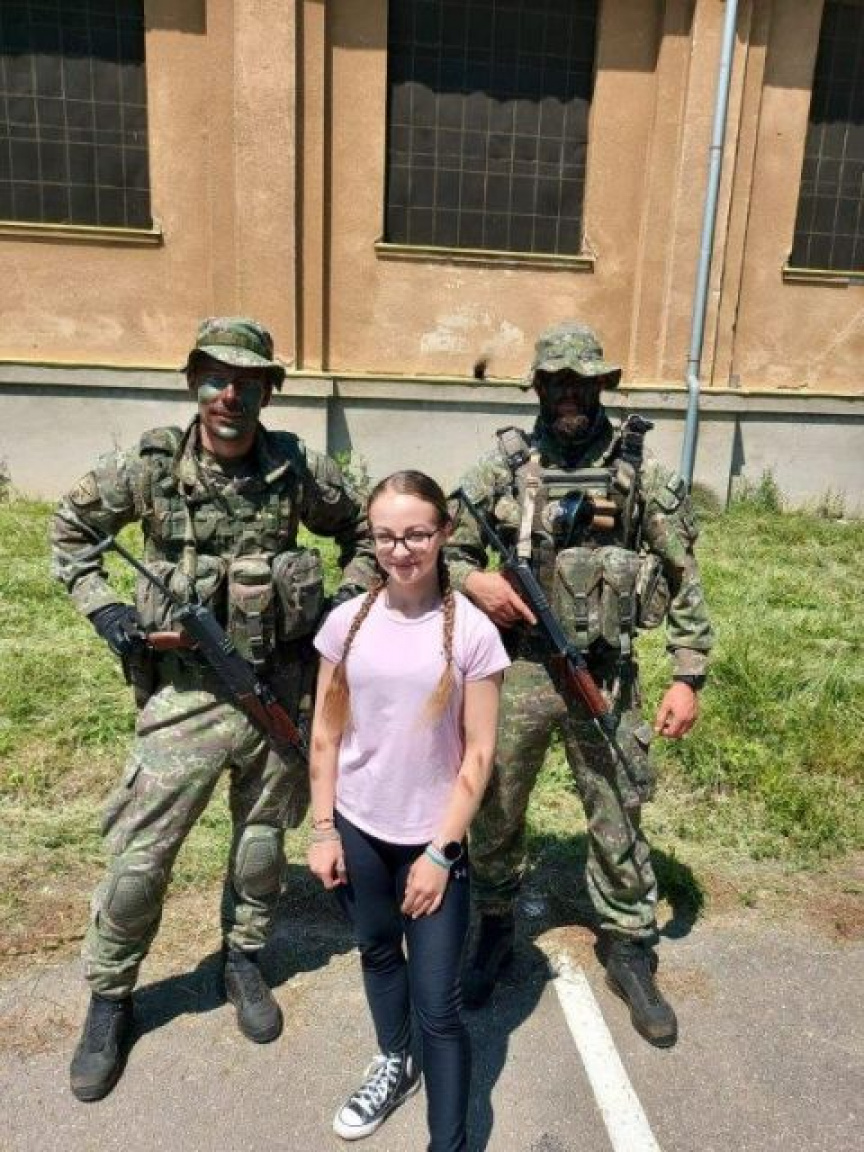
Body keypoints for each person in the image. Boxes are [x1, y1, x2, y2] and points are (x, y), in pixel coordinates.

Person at [51, 317, 376, 1102]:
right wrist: (104, 608)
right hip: (186, 694)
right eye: (216, 378)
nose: (230, 395)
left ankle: (243, 960)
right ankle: (111, 997)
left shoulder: (297, 468)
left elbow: (364, 529)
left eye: (248, 382)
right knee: (139, 861)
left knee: (261, 846)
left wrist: (344, 604)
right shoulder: (150, 468)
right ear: (194, 381)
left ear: (268, 392)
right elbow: (70, 533)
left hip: (276, 691)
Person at [446, 322, 713, 1047]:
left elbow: (684, 575)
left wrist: (688, 674)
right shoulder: (501, 470)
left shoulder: (639, 473)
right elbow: (444, 549)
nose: (570, 394)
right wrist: (475, 582)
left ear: (600, 387)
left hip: (607, 673)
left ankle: (628, 945)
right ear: (538, 388)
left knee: (618, 805)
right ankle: (493, 925)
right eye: (556, 382)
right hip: (521, 670)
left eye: (582, 383)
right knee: (495, 803)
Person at [308, 471, 509, 1152]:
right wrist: (324, 829)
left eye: (417, 534)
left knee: (440, 1010)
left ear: (444, 533)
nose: (401, 550)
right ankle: (393, 1062)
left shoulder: (473, 633)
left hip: (432, 842)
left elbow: (479, 753)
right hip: (358, 831)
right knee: (375, 952)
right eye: (386, 536)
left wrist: (440, 853)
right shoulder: (346, 623)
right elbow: (325, 734)